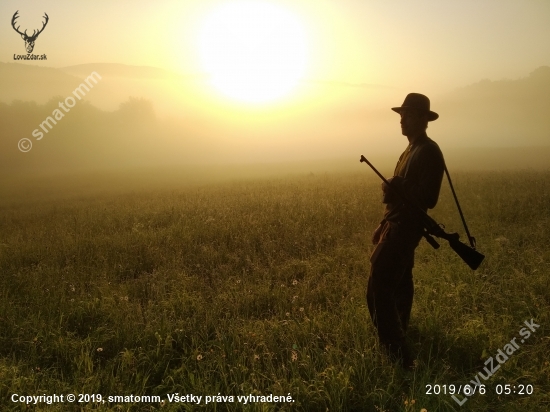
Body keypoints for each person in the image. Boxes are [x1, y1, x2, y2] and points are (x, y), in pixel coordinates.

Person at [366, 93, 445, 368]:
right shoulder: (409, 149)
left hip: (407, 228)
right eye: (402, 114)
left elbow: (429, 198)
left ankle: (399, 355)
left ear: (424, 119)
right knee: (400, 283)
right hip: (395, 224)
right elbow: (399, 196)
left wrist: (398, 183)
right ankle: (401, 332)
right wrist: (382, 223)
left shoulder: (429, 151)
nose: (402, 119)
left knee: (379, 286)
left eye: (409, 114)